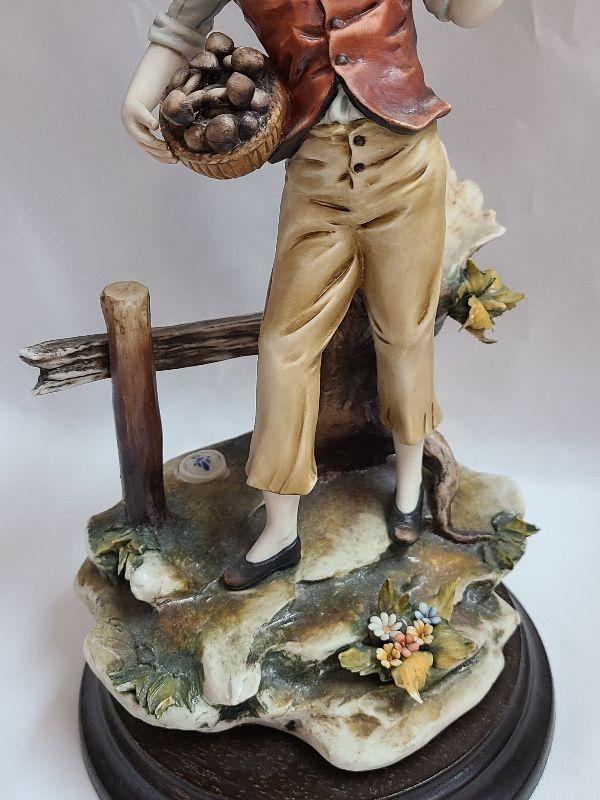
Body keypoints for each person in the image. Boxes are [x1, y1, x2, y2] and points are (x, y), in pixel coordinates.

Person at [122, 0, 506, 590]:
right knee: (285, 345)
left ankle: (408, 489)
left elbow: (463, 11)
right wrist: (139, 96)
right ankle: (280, 528)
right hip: (317, 171)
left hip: (404, 160)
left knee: (405, 330)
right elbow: (182, 23)